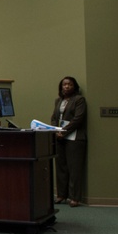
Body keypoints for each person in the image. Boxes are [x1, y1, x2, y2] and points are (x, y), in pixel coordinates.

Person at [52, 76, 87, 208]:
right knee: (61, 167)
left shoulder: (79, 100)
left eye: (70, 84)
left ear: (75, 87)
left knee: (74, 169)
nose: (66, 86)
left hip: (75, 138)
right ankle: (61, 195)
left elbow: (78, 118)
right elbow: (54, 118)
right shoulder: (58, 101)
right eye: (64, 84)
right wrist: (56, 130)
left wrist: (64, 131)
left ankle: (74, 197)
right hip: (59, 137)